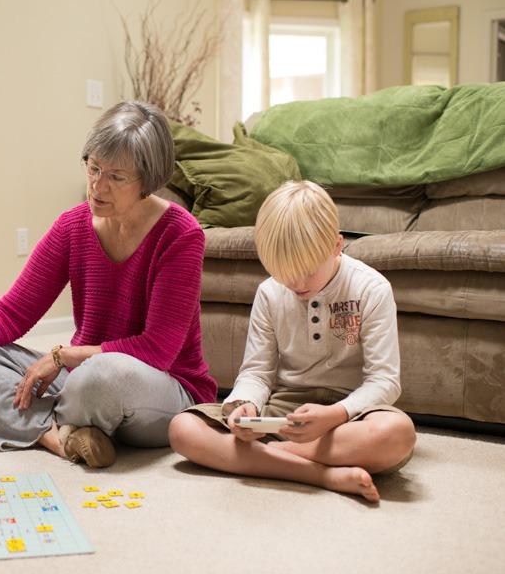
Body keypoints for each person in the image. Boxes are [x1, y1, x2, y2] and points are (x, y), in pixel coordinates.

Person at [0, 101, 217, 468]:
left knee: (100, 375)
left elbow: (157, 350)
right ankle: (62, 438)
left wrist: (62, 356)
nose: (97, 185)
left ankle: (49, 423)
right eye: (93, 167)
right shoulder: (72, 225)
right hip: (82, 382)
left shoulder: (181, 234)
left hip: (160, 390)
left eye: (117, 177)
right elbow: (14, 310)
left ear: (149, 180)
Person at [168, 180, 416, 502]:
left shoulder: (372, 289)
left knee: (396, 435)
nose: (296, 283)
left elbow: (384, 381)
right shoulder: (270, 293)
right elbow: (257, 373)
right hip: (285, 412)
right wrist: (246, 404)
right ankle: (321, 473)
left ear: (336, 245)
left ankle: (270, 457)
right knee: (183, 429)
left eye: (307, 271)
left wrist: (336, 415)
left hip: (351, 415)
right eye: (284, 272)